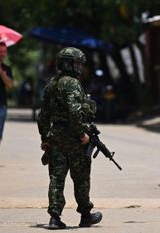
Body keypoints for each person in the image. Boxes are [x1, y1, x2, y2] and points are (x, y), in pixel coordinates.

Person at [37, 47, 102, 229]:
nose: (80, 67)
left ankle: (54, 218)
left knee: (56, 178)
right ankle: (85, 215)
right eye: (77, 63)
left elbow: (43, 115)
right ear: (68, 64)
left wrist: (45, 137)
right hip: (73, 138)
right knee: (81, 177)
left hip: (56, 137)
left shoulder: (51, 84)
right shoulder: (72, 84)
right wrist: (82, 133)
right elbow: (75, 111)